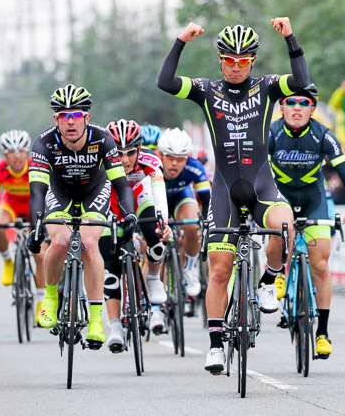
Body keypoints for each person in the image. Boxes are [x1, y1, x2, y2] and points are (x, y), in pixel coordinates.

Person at [156, 18, 308, 373]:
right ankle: (215, 345)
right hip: (224, 189)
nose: (236, 67)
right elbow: (165, 82)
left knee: (285, 227)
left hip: (261, 186)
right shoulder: (207, 89)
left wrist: (289, 38)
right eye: (229, 60)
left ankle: (269, 281)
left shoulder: (268, 87)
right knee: (220, 270)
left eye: (243, 61)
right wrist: (181, 40)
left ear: (252, 61)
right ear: (221, 59)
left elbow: (301, 82)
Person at [26, 85, 136, 349]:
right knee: (60, 240)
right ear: (56, 120)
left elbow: (121, 185)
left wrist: (129, 214)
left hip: (93, 190)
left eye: (76, 115)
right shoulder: (43, 143)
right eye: (64, 116)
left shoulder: (103, 139)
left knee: (88, 242)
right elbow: (37, 192)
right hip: (59, 190)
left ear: (87, 117)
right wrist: (36, 227)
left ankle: (97, 320)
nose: (71, 121)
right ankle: (50, 297)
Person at [268, 82, 345, 358]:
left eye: (304, 103)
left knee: (320, 264)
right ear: (281, 107)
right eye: (291, 102)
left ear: (313, 109)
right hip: (280, 195)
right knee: (280, 231)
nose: (297, 108)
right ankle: (277, 276)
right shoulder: (270, 132)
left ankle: (322, 332)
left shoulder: (324, 135)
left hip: (314, 198)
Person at [102, 119, 171, 351]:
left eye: (130, 152)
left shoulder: (151, 160)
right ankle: (115, 328)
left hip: (142, 196)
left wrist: (164, 222)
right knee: (110, 265)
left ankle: (152, 279)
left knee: (156, 236)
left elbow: (159, 190)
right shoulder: (100, 162)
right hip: (111, 203)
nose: (124, 159)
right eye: (118, 153)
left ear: (139, 149)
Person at [0, 130, 47, 320]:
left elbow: (47, 195)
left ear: (27, 152)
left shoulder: (36, 167)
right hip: (10, 204)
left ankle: (41, 303)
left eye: (21, 150)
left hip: (34, 206)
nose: (17, 155)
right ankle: (8, 262)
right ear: (5, 155)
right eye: (11, 151)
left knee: (40, 256)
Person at [157, 127, 211, 315]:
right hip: (157, 199)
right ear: (160, 154)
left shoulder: (194, 166)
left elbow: (206, 200)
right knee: (152, 240)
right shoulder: (151, 164)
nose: (174, 163)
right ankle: (155, 298)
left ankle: (189, 268)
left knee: (193, 223)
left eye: (180, 158)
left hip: (181, 197)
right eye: (170, 157)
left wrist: (206, 225)